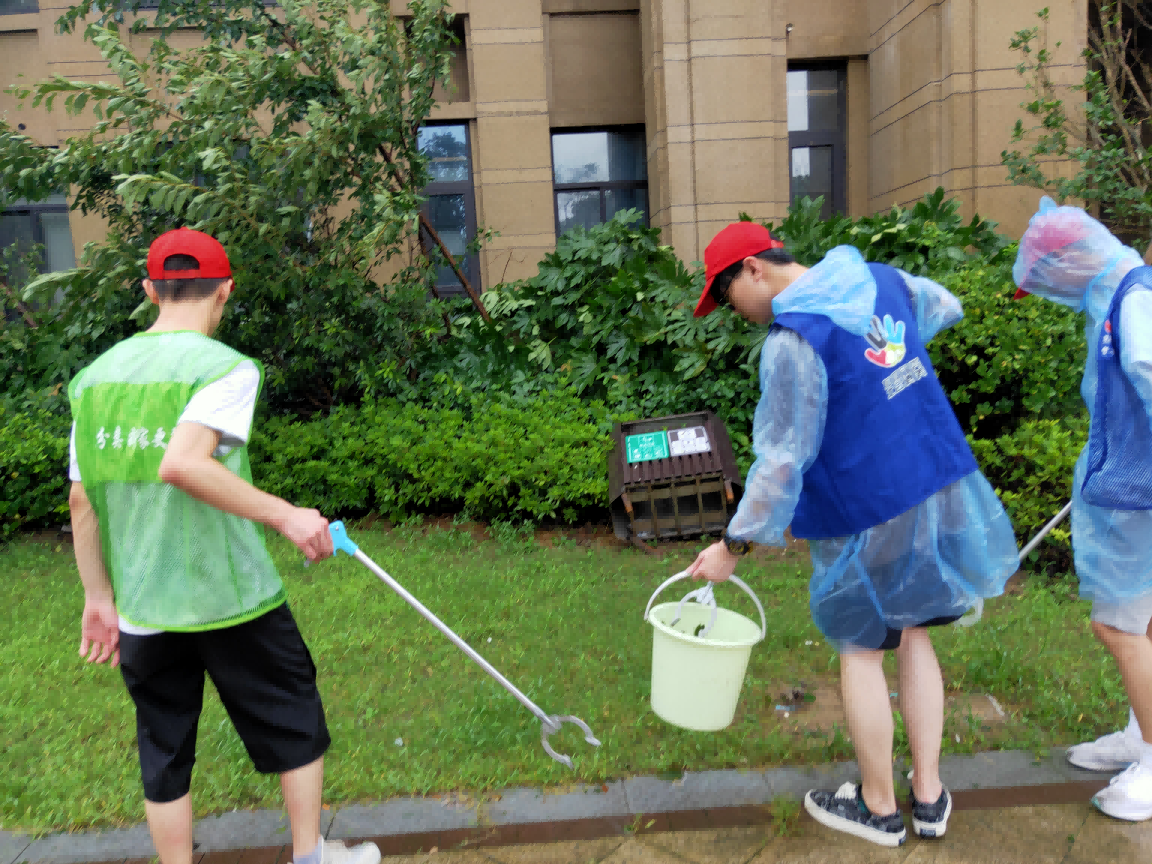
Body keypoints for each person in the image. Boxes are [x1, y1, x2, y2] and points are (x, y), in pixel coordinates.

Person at [686, 222, 1018, 847]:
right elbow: (945, 304)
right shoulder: (884, 282)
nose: (737, 313)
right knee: (917, 631)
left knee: (862, 650)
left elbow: (782, 461)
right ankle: (930, 796)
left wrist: (734, 544)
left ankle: (879, 808)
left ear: (755, 268)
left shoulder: (793, 339)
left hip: (862, 504)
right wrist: (887, 370)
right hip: (931, 479)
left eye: (730, 297)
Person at [67, 228, 380, 864]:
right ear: (226, 291)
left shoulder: (94, 380)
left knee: (163, 746)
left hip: (146, 605)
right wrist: (288, 516)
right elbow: (182, 463)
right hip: (234, 596)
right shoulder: (226, 369)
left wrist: (98, 596)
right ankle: (310, 856)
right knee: (293, 717)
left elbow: (81, 498)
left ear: (150, 290)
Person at [1012, 198, 1152, 821]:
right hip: (1130, 488)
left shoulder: (1132, 300)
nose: (1046, 295)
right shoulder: (1119, 295)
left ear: (1068, 265)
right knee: (1141, 623)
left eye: (1043, 281)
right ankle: (1137, 732)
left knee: (1117, 626)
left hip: (1139, 495)